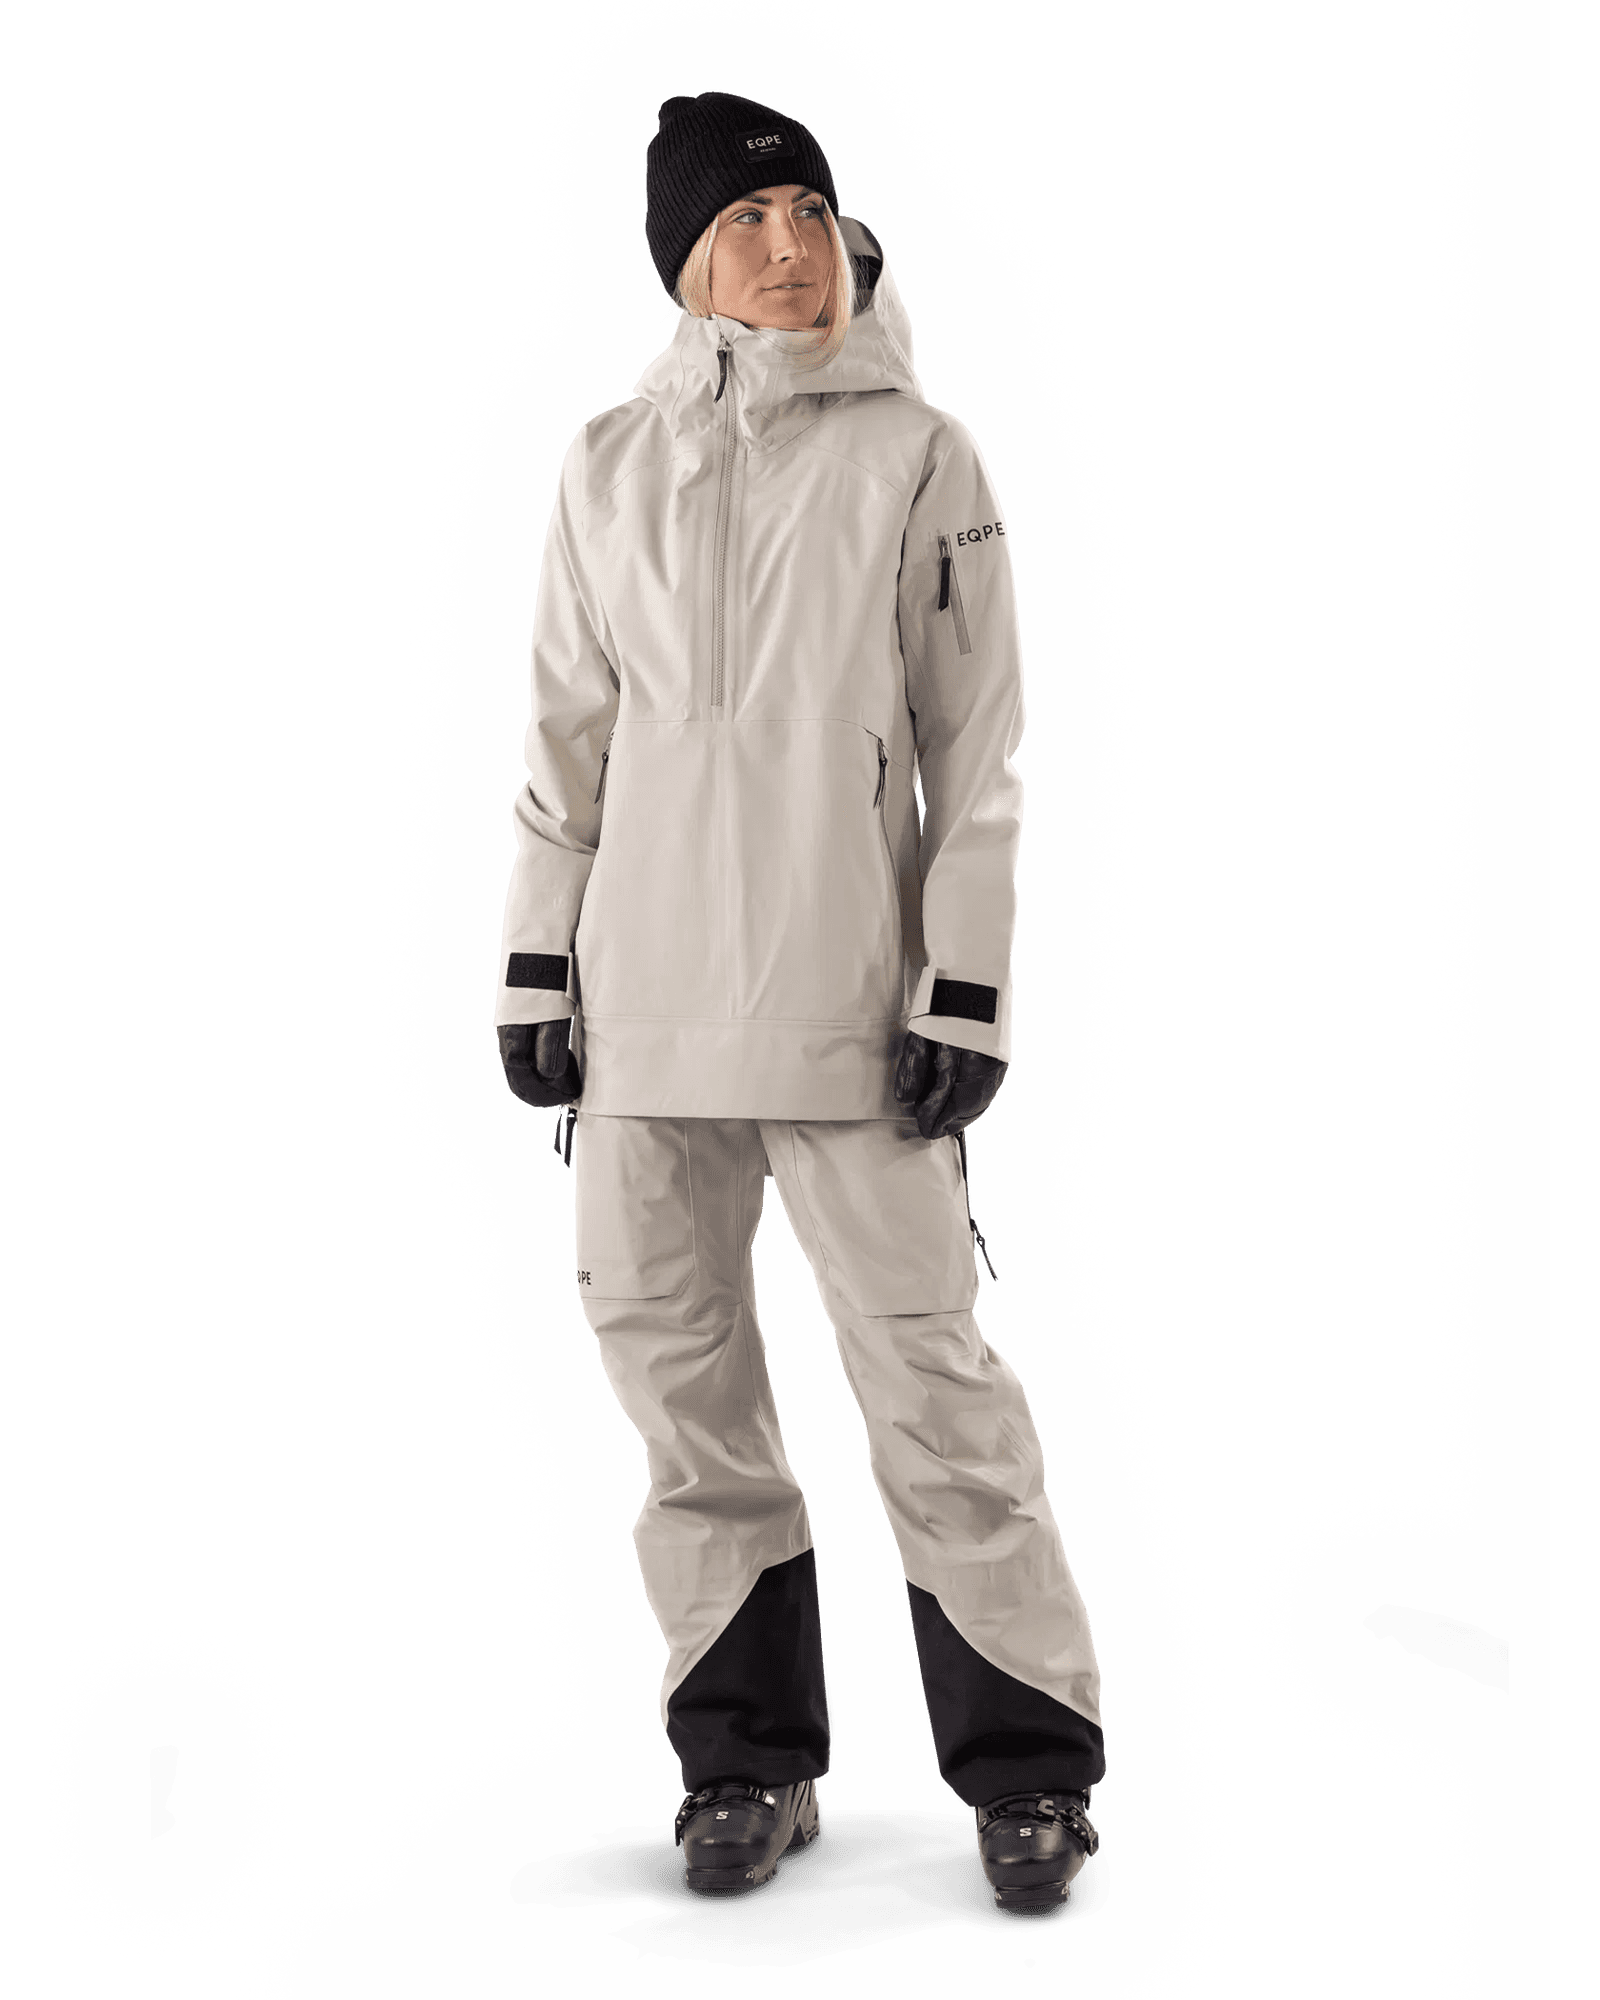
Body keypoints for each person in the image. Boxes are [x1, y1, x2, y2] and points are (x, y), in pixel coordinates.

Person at [494, 89, 1106, 1913]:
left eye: (811, 212)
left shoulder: (921, 454)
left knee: (934, 1388)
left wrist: (964, 990)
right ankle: (747, 1765)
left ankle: (1030, 1780)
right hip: (644, 1021)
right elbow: (566, 742)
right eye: (745, 220)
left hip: (856, 1015)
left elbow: (979, 752)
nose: (789, 244)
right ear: (683, 264)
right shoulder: (608, 462)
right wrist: (536, 966)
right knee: (681, 1402)